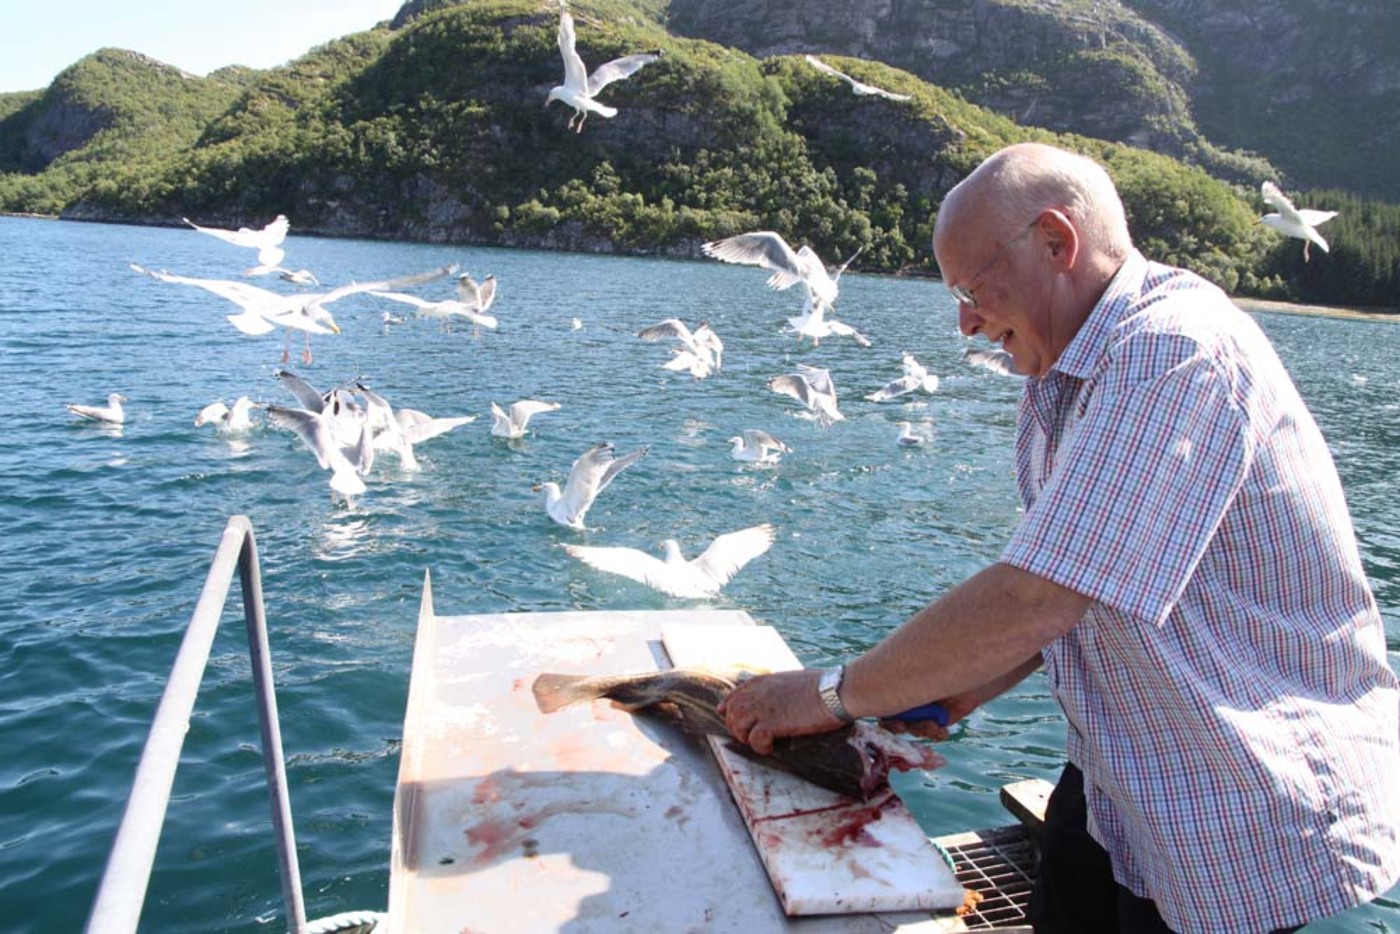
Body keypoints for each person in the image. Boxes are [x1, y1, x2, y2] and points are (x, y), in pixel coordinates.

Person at [718, 142, 1400, 933]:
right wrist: (957, 687)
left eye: (972, 289)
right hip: (1123, 773)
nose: (966, 322)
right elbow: (1087, 586)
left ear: (1055, 241)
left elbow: (1038, 597)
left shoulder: (1174, 353)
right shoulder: (1062, 376)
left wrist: (829, 694)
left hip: (1237, 794)